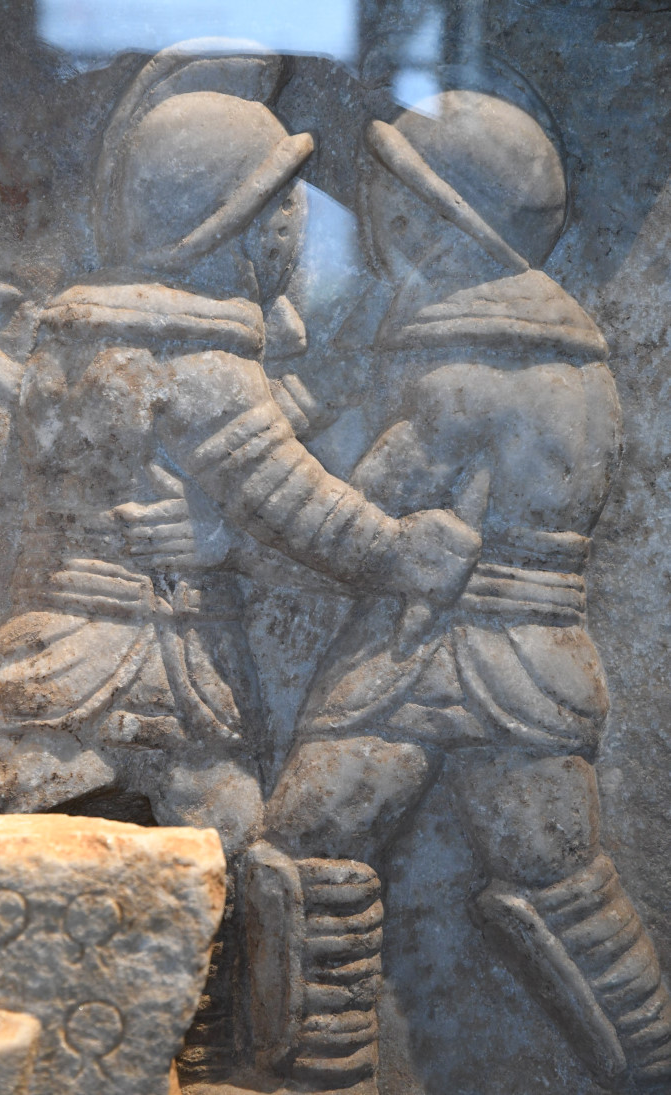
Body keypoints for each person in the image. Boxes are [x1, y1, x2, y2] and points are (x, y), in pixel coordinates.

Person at [0, 49, 480, 1095]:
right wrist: (396, 550)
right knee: (234, 845)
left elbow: (227, 459)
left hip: (48, 647)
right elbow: (290, 500)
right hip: (165, 662)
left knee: (8, 841)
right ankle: (227, 1052)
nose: (292, 232)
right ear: (221, 226)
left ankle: (20, 1038)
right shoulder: (204, 364)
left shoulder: (74, 342)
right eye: (277, 212)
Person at [245, 91, 671, 1094]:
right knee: (559, 876)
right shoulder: (577, 365)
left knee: (307, 848)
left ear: (441, 224)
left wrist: (247, 475)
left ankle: (324, 1076)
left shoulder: (457, 375)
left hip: (427, 651)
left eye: (395, 206)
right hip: (543, 659)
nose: (378, 223)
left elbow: (359, 520)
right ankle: (652, 1061)